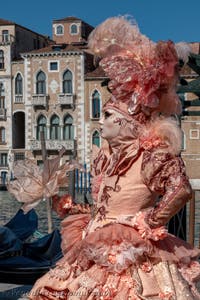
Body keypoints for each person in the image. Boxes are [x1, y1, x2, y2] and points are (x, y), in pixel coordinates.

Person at [29, 16, 200, 299]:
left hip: (133, 249)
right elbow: (104, 208)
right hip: (95, 243)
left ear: (126, 123)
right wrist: (71, 208)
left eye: (108, 115)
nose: (101, 120)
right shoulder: (106, 159)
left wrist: (151, 220)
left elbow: (180, 189)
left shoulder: (151, 154)